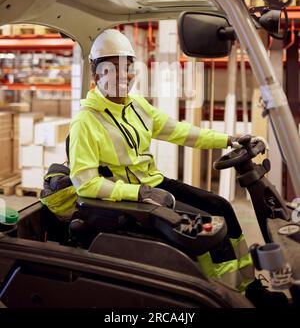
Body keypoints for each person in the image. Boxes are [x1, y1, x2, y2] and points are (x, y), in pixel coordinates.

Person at [49, 29, 287, 307]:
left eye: (127, 68)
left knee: (221, 205)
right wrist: (138, 193)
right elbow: (86, 183)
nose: (123, 76)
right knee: (209, 225)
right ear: (96, 75)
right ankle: (221, 294)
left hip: (153, 185)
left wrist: (230, 139)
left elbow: (180, 131)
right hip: (128, 202)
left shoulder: (136, 105)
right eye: (112, 69)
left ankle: (248, 286)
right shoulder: (85, 122)